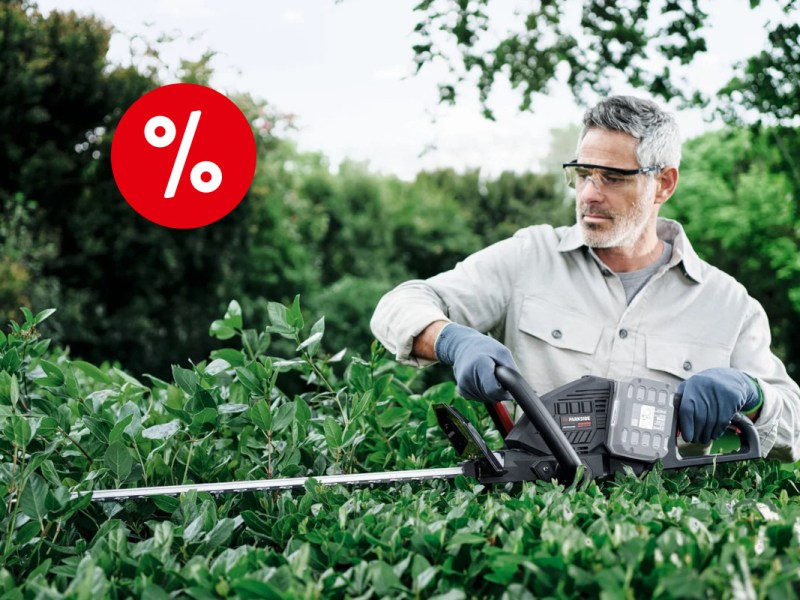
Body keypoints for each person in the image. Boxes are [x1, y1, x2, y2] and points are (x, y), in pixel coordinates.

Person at [370, 95, 800, 461]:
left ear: (664, 183)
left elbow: (794, 432)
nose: (589, 194)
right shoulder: (528, 258)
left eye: (612, 178)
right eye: (582, 175)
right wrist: (451, 341)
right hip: (535, 516)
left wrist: (753, 394)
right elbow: (400, 304)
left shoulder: (728, 305)